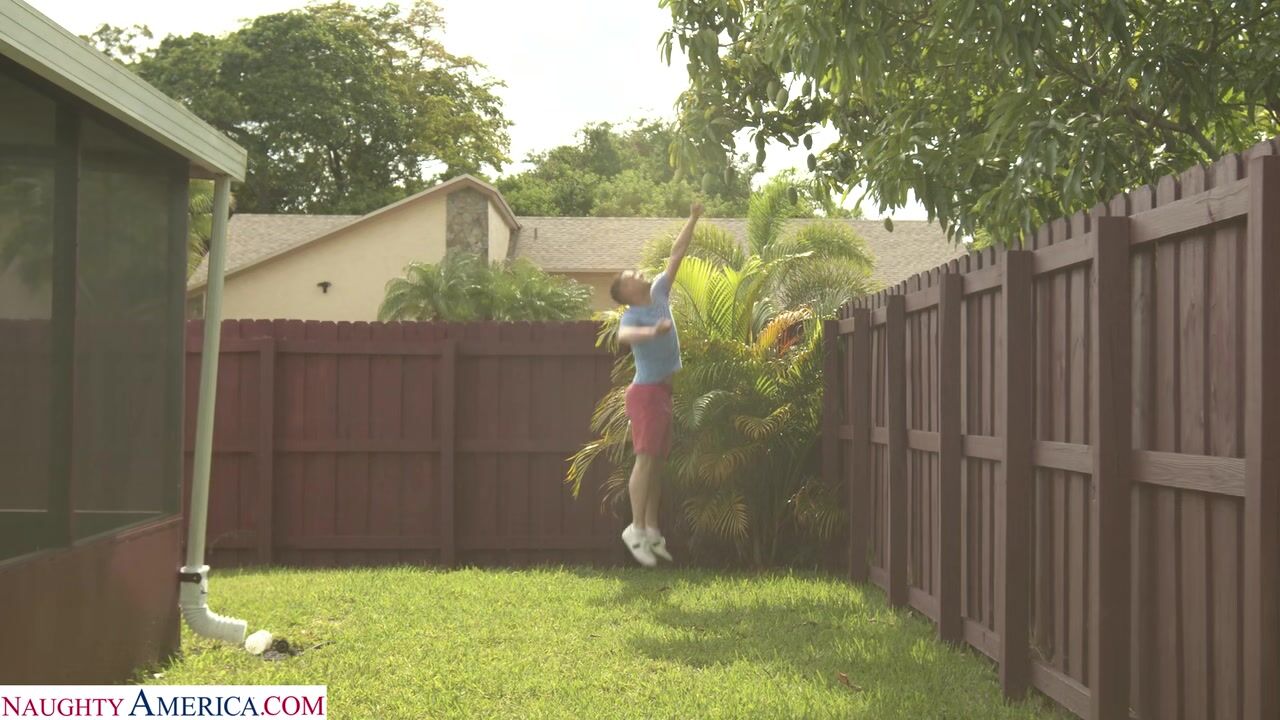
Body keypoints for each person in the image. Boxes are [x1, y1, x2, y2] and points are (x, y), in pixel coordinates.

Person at [609, 202, 702, 566]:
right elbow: (625, 337)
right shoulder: (632, 316)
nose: (638, 273)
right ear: (627, 292)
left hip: (662, 393)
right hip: (645, 394)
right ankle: (634, 529)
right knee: (645, 462)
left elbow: (676, 253)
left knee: (657, 466)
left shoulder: (660, 291)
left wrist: (692, 218)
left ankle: (650, 530)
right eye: (631, 275)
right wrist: (653, 331)